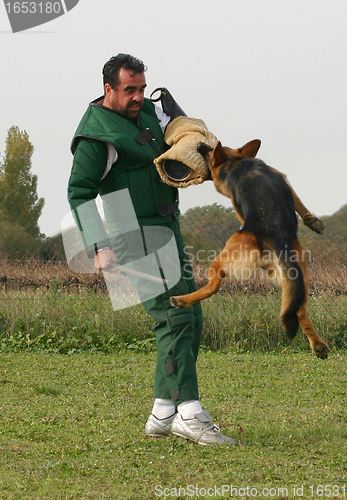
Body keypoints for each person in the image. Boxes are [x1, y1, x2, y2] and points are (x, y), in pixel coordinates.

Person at [67, 53, 237, 445]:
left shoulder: (145, 115)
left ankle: (163, 412)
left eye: (142, 88)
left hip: (167, 227)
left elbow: (179, 132)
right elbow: (78, 192)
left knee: (190, 317)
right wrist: (98, 245)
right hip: (131, 232)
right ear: (108, 89)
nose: (139, 96)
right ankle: (189, 413)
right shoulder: (96, 135)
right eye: (130, 90)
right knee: (174, 318)